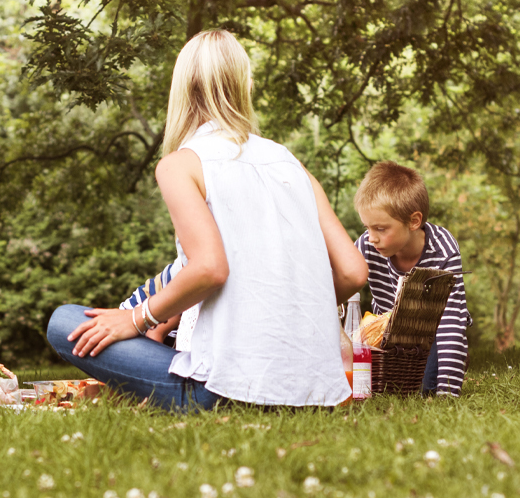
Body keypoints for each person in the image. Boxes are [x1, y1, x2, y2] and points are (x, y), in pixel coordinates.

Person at [45, 30, 367, 410]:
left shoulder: (180, 165)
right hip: (316, 392)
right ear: (246, 85)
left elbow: (210, 268)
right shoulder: (290, 164)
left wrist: (136, 318)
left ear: (181, 89)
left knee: (64, 322)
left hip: (224, 391)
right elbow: (353, 272)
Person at [353, 161, 471, 396]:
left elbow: (450, 324)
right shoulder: (367, 245)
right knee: (390, 391)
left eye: (381, 229)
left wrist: (448, 391)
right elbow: (340, 282)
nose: (372, 237)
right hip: (388, 335)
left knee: (427, 390)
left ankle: (449, 367)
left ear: (414, 221)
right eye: (367, 227)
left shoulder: (443, 251)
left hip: (430, 335)